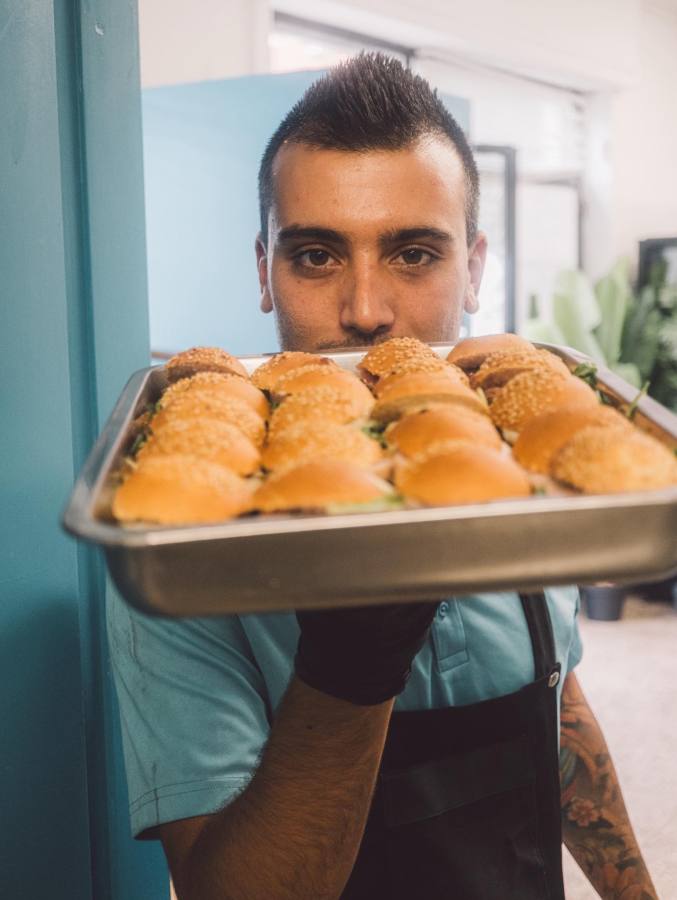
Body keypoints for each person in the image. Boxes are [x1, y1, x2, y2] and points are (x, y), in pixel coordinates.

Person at [108, 54, 657, 899]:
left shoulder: (515, 472)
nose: (365, 310)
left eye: (412, 253)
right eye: (318, 256)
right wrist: (350, 664)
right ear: (264, 270)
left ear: (473, 269)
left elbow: (558, 701)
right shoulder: (183, 546)